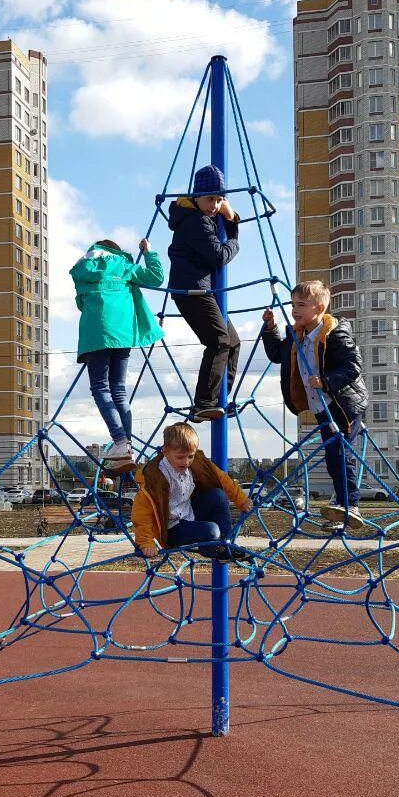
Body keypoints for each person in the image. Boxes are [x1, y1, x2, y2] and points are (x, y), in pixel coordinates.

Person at [262, 280, 369, 530]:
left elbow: (353, 366)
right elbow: (277, 354)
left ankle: (350, 505)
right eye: (292, 304)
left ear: (319, 308)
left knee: (340, 454)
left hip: (344, 404)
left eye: (301, 305)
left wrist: (327, 381)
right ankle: (340, 508)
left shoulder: (334, 333)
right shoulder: (296, 335)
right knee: (333, 457)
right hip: (323, 407)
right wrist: (270, 328)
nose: (294, 310)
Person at [71, 237, 166, 470]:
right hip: (122, 333)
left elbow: (80, 303)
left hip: (95, 334)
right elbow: (157, 277)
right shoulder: (125, 267)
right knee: (119, 390)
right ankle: (127, 445)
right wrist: (150, 252)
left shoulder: (82, 269)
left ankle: (120, 441)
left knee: (101, 388)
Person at [167, 164, 241, 423]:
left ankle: (219, 398)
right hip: (192, 290)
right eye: (210, 198)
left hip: (202, 288)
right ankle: (203, 403)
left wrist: (228, 219)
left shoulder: (200, 217)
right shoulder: (194, 221)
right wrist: (233, 232)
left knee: (232, 342)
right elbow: (219, 255)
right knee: (219, 341)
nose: (214, 205)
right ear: (196, 197)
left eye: (220, 200)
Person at [131, 421, 251, 559]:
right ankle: (213, 549)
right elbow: (142, 513)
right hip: (172, 528)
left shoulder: (197, 463)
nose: (186, 462)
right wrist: (145, 542)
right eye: (180, 457)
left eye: (190, 456)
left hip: (190, 514)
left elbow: (223, 479)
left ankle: (225, 545)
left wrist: (241, 500)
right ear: (165, 452)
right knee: (212, 530)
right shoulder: (155, 477)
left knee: (218, 495)